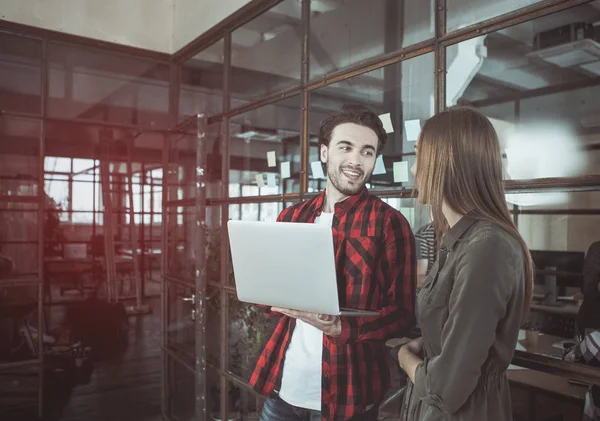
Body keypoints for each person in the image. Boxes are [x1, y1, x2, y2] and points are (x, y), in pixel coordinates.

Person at [250, 104, 417, 421]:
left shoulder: (389, 224)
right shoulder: (291, 217)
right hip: (284, 389)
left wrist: (344, 327)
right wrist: (265, 294)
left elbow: (403, 314)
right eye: (346, 147)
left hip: (349, 395)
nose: (356, 161)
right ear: (324, 152)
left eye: (367, 152)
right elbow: (270, 299)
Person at [397, 106, 534, 421]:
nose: (415, 168)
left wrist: (405, 357)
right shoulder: (459, 240)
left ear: (446, 162)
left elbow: (446, 387)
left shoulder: (487, 246)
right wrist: (431, 344)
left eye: (420, 155)